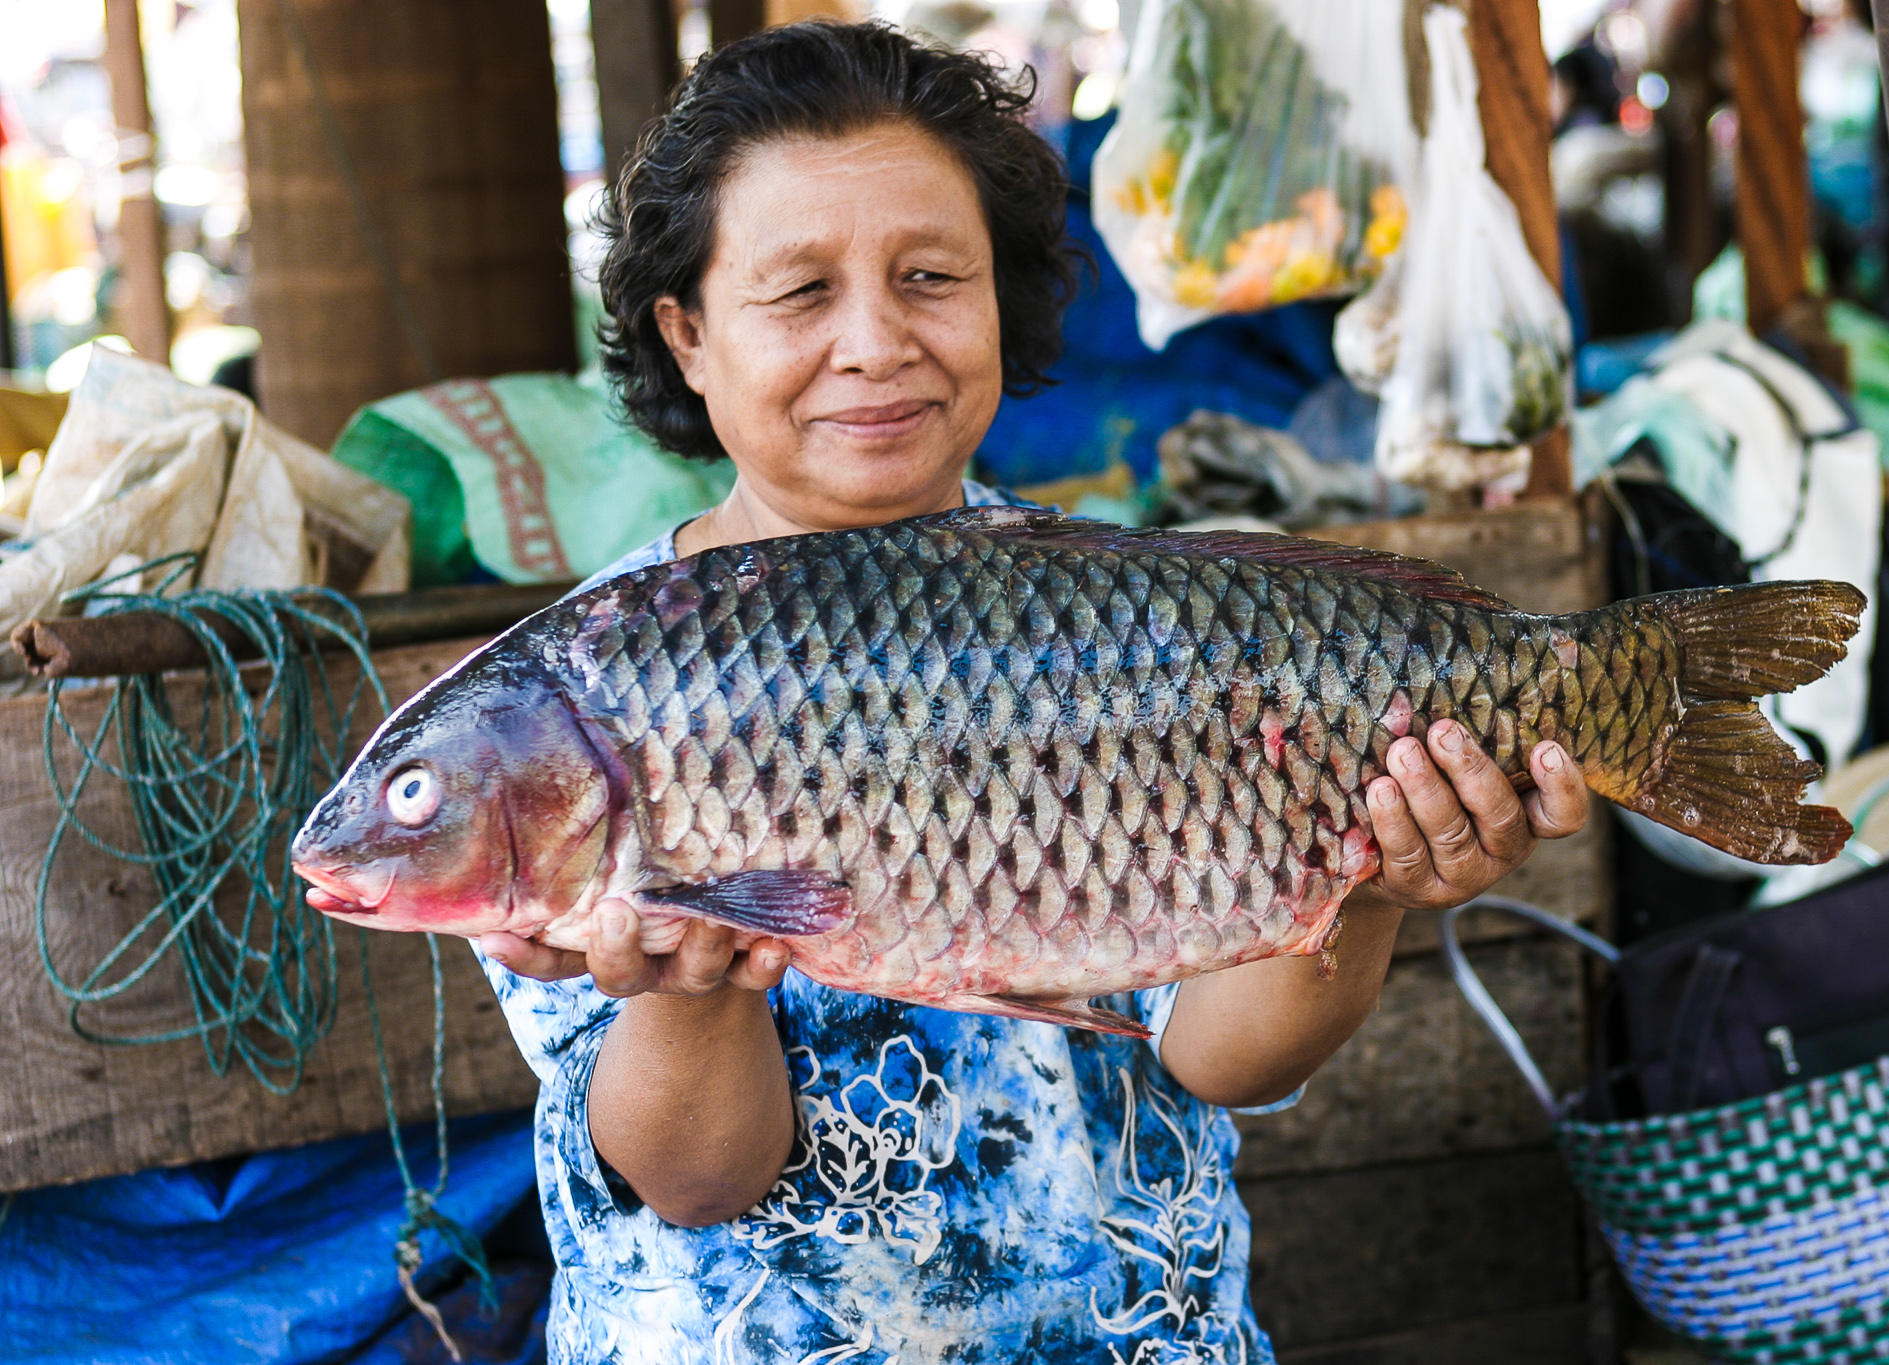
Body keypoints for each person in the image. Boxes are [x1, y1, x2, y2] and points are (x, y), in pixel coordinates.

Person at [478, 21, 1589, 1363]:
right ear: (689, 333)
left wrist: (1366, 883)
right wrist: (691, 989)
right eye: (801, 292)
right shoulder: (584, 700)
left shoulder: (1139, 620)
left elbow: (1222, 1059)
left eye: (931, 277)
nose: (875, 341)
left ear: (1000, 295)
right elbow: (700, 1178)